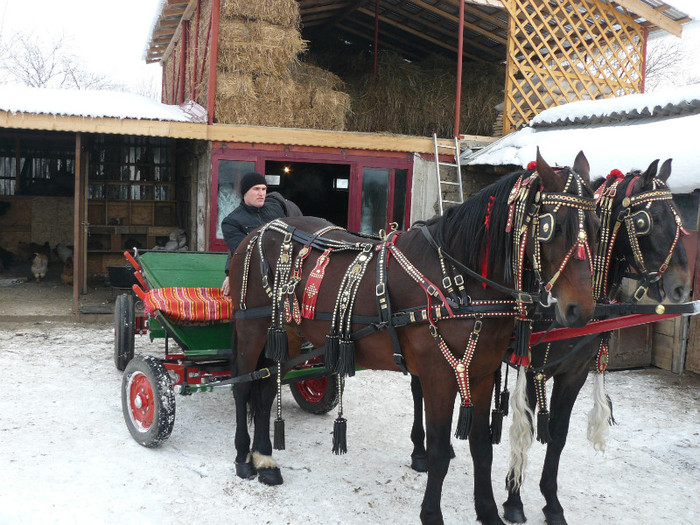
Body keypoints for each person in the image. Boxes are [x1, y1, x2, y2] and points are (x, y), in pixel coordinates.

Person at [221, 171, 301, 295]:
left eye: (264, 189)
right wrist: (229, 273)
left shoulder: (276, 207)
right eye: (256, 189)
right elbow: (241, 252)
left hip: (288, 273)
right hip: (257, 279)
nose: (261, 193)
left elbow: (297, 224)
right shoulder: (232, 222)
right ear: (245, 192)